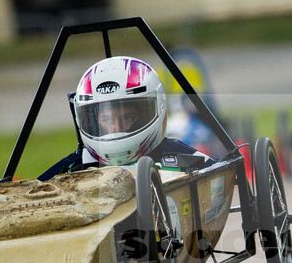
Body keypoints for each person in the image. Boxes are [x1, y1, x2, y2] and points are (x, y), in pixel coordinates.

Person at [39, 56, 214, 180]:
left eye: (128, 117)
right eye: (107, 120)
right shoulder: (75, 167)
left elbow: (225, 173)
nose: (116, 129)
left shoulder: (177, 155)